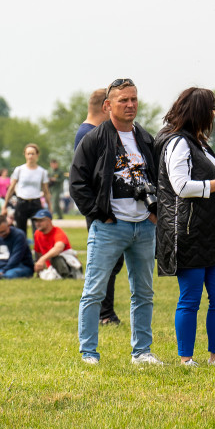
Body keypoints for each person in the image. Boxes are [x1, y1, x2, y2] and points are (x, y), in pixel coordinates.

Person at [155, 87, 215, 367]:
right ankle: (186, 358)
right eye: (212, 108)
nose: (214, 114)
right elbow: (181, 186)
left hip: (214, 233)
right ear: (200, 111)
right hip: (189, 234)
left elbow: (204, 189)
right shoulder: (178, 143)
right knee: (191, 298)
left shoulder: (201, 145)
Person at [70, 78, 162, 366]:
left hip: (144, 227)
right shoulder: (94, 139)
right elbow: (77, 182)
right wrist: (101, 214)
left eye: (133, 99)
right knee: (94, 290)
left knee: (144, 292)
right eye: (123, 100)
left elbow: (158, 178)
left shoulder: (146, 139)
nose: (130, 105)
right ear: (108, 105)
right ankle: (89, 353)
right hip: (110, 227)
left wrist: (154, 213)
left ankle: (142, 352)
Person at [75, 87, 122, 326]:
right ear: (106, 106)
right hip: (100, 212)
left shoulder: (89, 131)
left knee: (114, 261)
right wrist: (98, 213)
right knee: (106, 262)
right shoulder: (90, 134)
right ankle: (104, 314)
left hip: (105, 211)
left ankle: (105, 311)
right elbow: (84, 181)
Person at [3, 143, 52, 238]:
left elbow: (46, 191)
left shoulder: (42, 172)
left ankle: (38, 252)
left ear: (37, 155)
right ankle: (22, 252)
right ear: (25, 155)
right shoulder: (19, 170)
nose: (30, 156)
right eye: (28, 153)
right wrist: (4, 205)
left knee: (38, 232)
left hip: (35, 203)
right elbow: (11, 188)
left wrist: (49, 207)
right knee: (20, 233)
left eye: (33, 153)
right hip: (22, 202)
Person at [31, 209, 82, 279]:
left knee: (55, 258)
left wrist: (42, 259)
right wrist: (39, 266)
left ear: (49, 221)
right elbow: (38, 252)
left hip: (69, 264)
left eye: (40, 221)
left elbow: (58, 248)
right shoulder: (37, 234)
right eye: (36, 221)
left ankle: (68, 277)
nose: (37, 223)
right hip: (51, 267)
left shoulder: (58, 232)